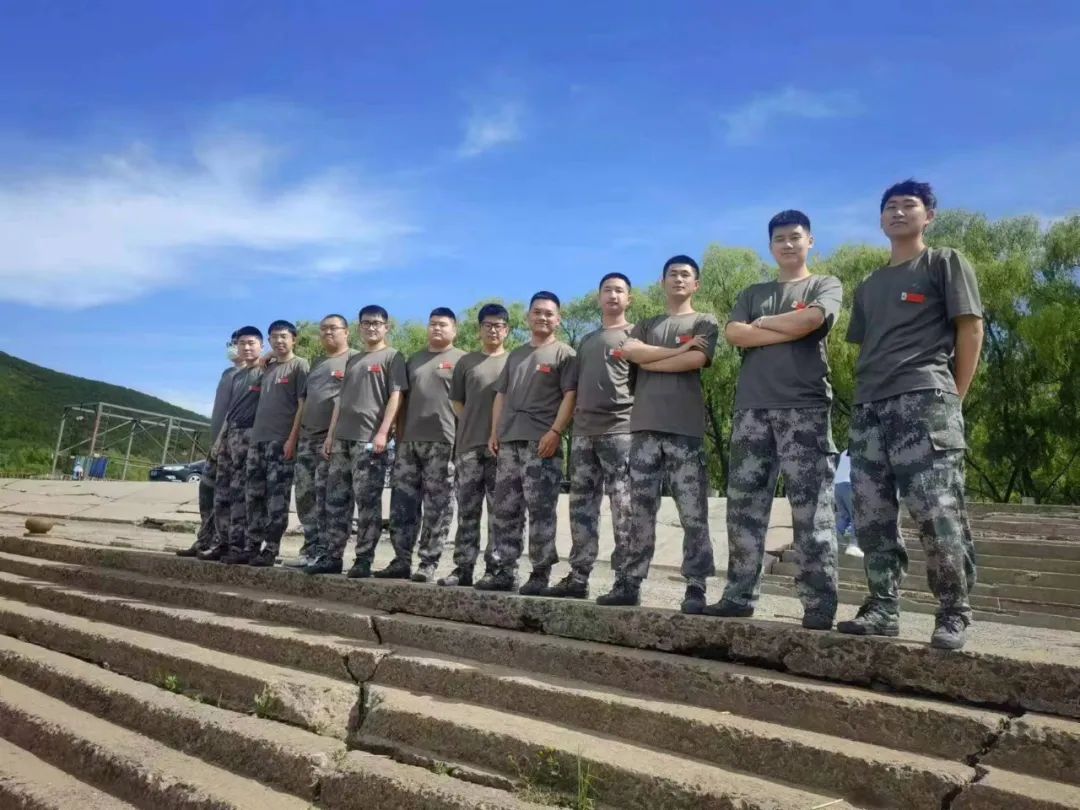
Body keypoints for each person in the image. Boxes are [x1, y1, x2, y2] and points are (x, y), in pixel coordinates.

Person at [837, 179, 983, 651]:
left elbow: (970, 329)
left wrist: (953, 396)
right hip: (869, 406)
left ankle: (953, 610)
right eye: (890, 207)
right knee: (871, 512)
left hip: (925, 398)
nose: (898, 212)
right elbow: (869, 344)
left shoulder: (944, 262)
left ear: (929, 216)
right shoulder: (869, 285)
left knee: (936, 510)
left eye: (909, 205)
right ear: (881, 219)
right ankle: (882, 606)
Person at [708, 210, 841, 630]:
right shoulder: (754, 292)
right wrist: (788, 328)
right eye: (779, 238)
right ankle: (739, 595)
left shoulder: (825, 285)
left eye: (795, 237)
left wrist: (762, 326)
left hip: (805, 406)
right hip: (752, 408)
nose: (787, 244)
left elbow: (814, 319)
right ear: (770, 245)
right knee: (744, 506)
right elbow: (734, 334)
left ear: (810, 241)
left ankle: (819, 602)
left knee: (811, 508)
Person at [597, 255, 718, 613]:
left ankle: (696, 585)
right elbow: (630, 354)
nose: (678, 279)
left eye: (685, 275)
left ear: (696, 284)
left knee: (693, 512)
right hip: (644, 429)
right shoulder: (646, 324)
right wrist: (679, 350)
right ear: (662, 282)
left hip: (685, 429)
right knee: (639, 512)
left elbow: (696, 361)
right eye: (672, 274)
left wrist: (654, 358)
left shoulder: (705, 321)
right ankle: (629, 582)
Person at [476, 291, 578, 594]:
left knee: (541, 510)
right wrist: (495, 432)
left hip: (541, 442)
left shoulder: (565, 354)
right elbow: (501, 395)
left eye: (549, 313)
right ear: (528, 317)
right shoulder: (516, 355)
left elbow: (571, 396)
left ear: (558, 319)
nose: (542, 317)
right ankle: (505, 570)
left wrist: (555, 432)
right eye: (537, 312)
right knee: (506, 509)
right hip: (509, 441)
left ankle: (540, 572)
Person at [547, 273, 634, 600]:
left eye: (619, 290)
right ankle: (578, 576)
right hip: (584, 433)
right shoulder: (586, 341)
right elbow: (571, 390)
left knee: (624, 508)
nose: (613, 295)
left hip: (621, 430)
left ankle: (626, 581)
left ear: (629, 298)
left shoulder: (637, 335)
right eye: (607, 290)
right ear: (599, 297)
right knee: (581, 507)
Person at [315, 305, 407, 578]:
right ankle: (333, 556)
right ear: (359, 327)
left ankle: (364, 559)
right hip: (342, 439)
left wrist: (383, 432)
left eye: (377, 323)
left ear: (386, 327)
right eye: (366, 323)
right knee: (336, 500)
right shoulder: (353, 360)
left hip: (368, 440)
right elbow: (340, 400)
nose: (371, 327)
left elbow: (397, 395)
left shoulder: (393, 357)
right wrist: (331, 435)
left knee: (367, 502)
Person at [376, 308, 465, 582]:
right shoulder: (413, 360)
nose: (436, 328)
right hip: (409, 443)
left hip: (444, 441)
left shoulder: (462, 360)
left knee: (438, 505)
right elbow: (401, 401)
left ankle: (428, 562)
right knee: (402, 504)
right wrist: (399, 435)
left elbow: (468, 405)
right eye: (432, 324)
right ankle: (401, 559)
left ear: (454, 330)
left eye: (443, 324)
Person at [438, 303, 512, 587]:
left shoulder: (513, 360)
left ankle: (496, 568)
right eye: (488, 325)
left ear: (506, 330)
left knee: (500, 512)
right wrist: (471, 419)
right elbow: (456, 401)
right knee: (467, 510)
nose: (493, 330)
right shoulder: (466, 362)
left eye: (499, 326)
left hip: (503, 448)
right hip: (468, 446)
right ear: (479, 329)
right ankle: (463, 568)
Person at [288, 315, 358, 571]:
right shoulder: (317, 363)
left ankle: (331, 553)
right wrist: (294, 437)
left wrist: (334, 434)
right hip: (307, 439)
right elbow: (304, 402)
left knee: (332, 499)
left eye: (333, 328)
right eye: (324, 329)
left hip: (334, 440)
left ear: (346, 332)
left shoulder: (355, 359)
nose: (328, 332)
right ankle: (311, 549)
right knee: (305, 496)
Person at [199, 326, 264, 561]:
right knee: (216, 493)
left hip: (247, 440)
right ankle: (213, 540)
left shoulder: (264, 370)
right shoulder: (232, 374)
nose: (243, 347)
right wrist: (219, 440)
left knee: (241, 494)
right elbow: (228, 412)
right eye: (238, 343)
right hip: (224, 439)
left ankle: (241, 544)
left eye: (249, 343)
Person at [178, 329, 242, 557]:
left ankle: (220, 542)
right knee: (207, 491)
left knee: (225, 497)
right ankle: (204, 539)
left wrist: (223, 440)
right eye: (232, 343)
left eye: (238, 342)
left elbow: (234, 413)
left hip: (231, 444)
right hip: (216, 444)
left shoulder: (252, 374)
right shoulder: (228, 373)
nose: (234, 347)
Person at [834, 449, 861, 557]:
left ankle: (833, 539)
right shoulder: (859, 449)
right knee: (856, 516)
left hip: (837, 485)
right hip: (849, 484)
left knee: (845, 517)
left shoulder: (845, 452)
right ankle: (854, 544)